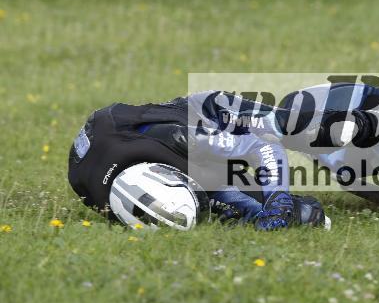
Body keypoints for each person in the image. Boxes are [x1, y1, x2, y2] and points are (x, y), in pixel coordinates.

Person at [67, 91, 331, 231]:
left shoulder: (180, 139)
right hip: (171, 159)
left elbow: (263, 148)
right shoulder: (102, 200)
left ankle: (361, 124)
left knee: (292, 128)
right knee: (305, 215)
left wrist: (278, 196)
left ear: (168, 176)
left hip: (205, 116)